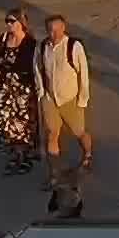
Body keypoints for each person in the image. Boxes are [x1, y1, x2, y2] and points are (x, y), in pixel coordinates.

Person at [37, 15, 94, 180]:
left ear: (63, 29)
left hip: (70, 99)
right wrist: (42, 93)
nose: (53, 34)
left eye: (56, 30)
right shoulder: (43, 47)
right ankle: (54, 173)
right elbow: (37, 69)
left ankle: (88, 155)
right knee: (52, 135)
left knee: (79, 133)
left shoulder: (73, 47)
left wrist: (83, 99)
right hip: (50, 99)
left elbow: (83, 74)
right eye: (50, 30)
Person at [0, 8, 40, 175]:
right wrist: (6, 64)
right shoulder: (3, 39)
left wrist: (7, 64)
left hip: (23, 89)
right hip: (6, 87)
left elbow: (27, 66)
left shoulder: (30, 43)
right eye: (7, 21)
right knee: (7, 123)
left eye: (12, 21)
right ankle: (14, 155)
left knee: (23, 124)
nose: (8, 24)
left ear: (21, 23)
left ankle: (24, 157)